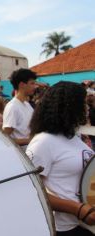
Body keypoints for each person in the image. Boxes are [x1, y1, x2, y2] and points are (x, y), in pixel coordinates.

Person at [26, 81, 94, 236]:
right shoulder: (43, 142)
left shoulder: (74, 137)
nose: (87, 107)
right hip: (69, 228)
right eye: (82, 103)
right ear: (69, 107)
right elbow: (32, 191)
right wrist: (78, 209)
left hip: (87, 224)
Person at [2, 68, 37, 149]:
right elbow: (4, 138)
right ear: (22, 84)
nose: (35, 87)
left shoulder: (26, 104)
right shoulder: (12, 107)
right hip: (23, 156)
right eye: (32, 83)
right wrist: (29, 140)